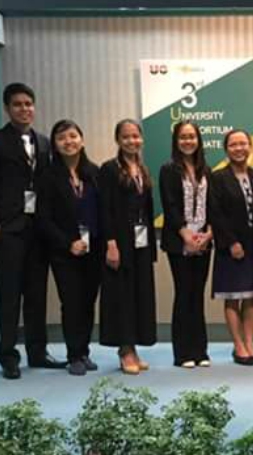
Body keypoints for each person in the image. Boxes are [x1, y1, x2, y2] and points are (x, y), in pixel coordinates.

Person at [0, 82, 64, 379]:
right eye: (18, 104)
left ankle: (37, 353)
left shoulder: (43, 141)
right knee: (10, 295)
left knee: (37, 295)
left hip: (39, 230)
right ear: (7, 108)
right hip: (10, 230)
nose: (24, 109)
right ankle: (8, 355)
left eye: (28, 104)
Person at [36, 119, 102, 376]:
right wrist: (67, 243)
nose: (68, 142)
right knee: (71, 302)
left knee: (88, 301)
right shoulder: (48, 177)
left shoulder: (94, 173)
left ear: (81, 140)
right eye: (62, 138)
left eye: (73, 136)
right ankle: (73, 354)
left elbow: (102, 211)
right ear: (55, 144)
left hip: (93, 249)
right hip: (64, 251)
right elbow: (43, 218)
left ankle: (84, 351)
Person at [208, 129, 253, 366]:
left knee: (251, 296)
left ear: (250, 147)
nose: (239, 148)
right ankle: (238, 346)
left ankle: (250, 344)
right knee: (233, 297)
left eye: (243, 143)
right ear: (226, 149)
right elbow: (215, 213)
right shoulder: (217, 178)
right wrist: (230, 242)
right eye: (233, 144)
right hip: (231, 247)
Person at [98, 119, 157, 375]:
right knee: (122, 296)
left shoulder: (142, 169)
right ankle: (125, 350)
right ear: (118, 140)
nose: (132, 141)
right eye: (126, 137)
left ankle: (134, 346)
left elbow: (147, 208)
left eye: (136, 136)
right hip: (120, 242)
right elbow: (105, 210)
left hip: (141, 243)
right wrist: (111, 244)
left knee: (139, 294)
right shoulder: (109, 169)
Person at [159, 121, 213, 368]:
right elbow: (169, 206)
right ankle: (182, 353)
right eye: (183, 137)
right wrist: (185, 235)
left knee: (197, 294)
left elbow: (213, 205)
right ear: (176, 141)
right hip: (179, 241)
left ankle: (201, 351)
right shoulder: (169, 169)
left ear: (198, 140)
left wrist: (208, 234)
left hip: (203, 241)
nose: (188, 141)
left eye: (192, 137)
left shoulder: (206, 170)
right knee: (183, 293)